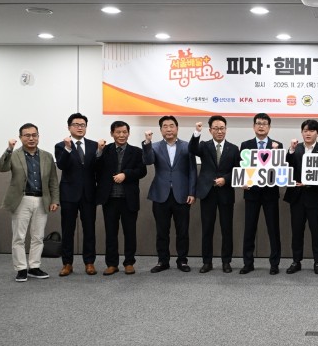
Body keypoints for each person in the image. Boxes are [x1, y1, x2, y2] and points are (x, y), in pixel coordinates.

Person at [0, 123, 59, 282]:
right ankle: (21, 269)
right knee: (19, 237)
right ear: (20, 137)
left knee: (38, 236)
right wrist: (9, 149)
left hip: (42, 200)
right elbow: (2, 167)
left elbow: (53, 180)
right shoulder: (14, 154)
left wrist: (54, 200)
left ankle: (34, 267)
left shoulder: (47, 156)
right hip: (21, 200)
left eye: (34, 135)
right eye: (27, 135)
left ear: (38, 136)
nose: (31, 138)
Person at [143, 116, 197, 273]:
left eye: (171, 126)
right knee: (162, 231)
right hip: (160, 194)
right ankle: (163, 261)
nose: (168, 129)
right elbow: (148, 161)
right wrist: (147, 142)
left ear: (177, 128)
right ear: (160, 130)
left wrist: (192, 192)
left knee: (182, 231)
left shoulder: (187, 146)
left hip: (182, 195)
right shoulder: (154, 146)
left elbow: (193, 170)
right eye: (165, 126)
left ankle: (182, 260)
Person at [95, 121, 147, 275]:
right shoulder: (105, 150)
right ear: (112, 133)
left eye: (124, 132)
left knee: (130, 232)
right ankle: (112, 264)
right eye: (118, 132)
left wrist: (126, 174)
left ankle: (129, 262)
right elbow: (96, 168)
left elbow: (142, 171)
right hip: (109, 198)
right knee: (111, 233)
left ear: (129, 133)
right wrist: (99, 151)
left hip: (128, 198)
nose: (122, 135)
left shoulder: (136, 151)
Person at [189, 116, 240, 273]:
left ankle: (226, 262)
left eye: (222, 128)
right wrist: (197, 132)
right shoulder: (204, 146)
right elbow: (192, 149)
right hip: (207, 193)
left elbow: (238, 170)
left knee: (227, 229)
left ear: (226, 129)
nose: (219, 131)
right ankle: (207, 262)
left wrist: (225, 179)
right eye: (216, 128)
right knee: (207, 229)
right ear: (210, 130)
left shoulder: (234, 148)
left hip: (226, 193)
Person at [283, 119, 318, 274]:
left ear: (317, 133)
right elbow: (286, 166)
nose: (308, 133)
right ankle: (296, 261)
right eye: (305, 131)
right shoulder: (294, 149)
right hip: (296, 197)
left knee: (317, 232)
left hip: (315, 197)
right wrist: (290, 150)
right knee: (297, 231)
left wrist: (309, 182)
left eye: (311, 131)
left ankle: (317, 261)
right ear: (301, 132)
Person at [54, 113, 98, 277]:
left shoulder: (94, 145)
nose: (80, 127)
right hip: (69, 194)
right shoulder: (61, 146)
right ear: (69, 127)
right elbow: (61, 165)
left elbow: (98, 168)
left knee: (90, 229)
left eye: (83, 125)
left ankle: (89, 262)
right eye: (76, 124)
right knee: (68, 230)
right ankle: (67, 263)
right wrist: (67, 148)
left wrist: (100, 152)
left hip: (89, 194)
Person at [239, 113, 283, 275]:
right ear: (253, 126)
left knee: (273, 230)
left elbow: (281, 169)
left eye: (264, 124)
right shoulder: (246, 145)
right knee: (249, 229)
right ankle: (248, 263)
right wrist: (242, 180)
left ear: (269, 127)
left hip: (270, 194)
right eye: (258, 123)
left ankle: (274, 264)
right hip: (251, 193)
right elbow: (241, 167)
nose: (261, 126)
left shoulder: (277, 145)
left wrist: (277, 153)